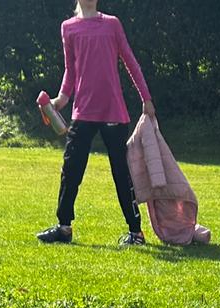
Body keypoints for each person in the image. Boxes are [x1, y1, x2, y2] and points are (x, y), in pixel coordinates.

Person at [36, 1, 155, 248]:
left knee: (121, 173)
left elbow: (131, 62)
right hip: (83, 112)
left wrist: (146, 99)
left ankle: (136, 233)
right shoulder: (68, 27)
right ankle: (64, 227)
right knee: (71, 170)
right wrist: (60, 100)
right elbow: (71, 71)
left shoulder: (112, 24)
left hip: (114, 111)